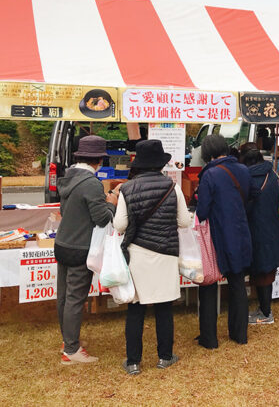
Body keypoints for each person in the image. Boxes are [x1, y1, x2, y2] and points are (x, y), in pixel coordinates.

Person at [114, 140, 191, 375]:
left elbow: (119, 225)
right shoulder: (172, 187)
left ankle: (133, 362)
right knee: (164, 308)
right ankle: (164, 357)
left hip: (138, 254)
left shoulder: (127, 189)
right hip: (166, 253)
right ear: (160, 164)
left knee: (136, 309)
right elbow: (185, 222)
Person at [55, 135, 118, 365]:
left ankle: (67, 340)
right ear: (99, 159)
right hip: (80, 247)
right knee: (74, 299)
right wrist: (111, 202)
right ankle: (71, 350)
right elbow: (101, 218)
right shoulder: (91, 183)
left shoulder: (68, 177)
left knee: (63, 296)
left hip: (62, 243)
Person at [196, 135, 254, 348]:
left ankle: (209, 338)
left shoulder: (210, 174)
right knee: (238, 283)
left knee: (209, 284)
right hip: (240, 231)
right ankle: (239, 334)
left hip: (217, 234)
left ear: (207, 153)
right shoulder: (243, 170)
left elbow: (202, 211)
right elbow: (249, 197)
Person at [239, 143, 279, 325]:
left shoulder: (247, 178)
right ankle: (264, 309)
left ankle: (266, 313)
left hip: (254, 230)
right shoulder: (271, 174)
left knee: (262, 272)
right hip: (271, 229)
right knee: (266, 271)